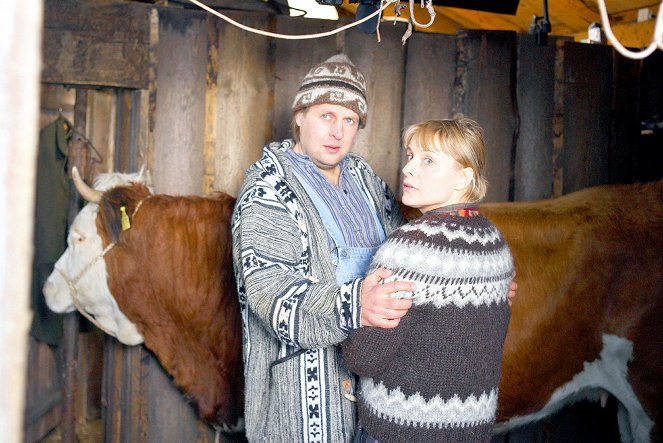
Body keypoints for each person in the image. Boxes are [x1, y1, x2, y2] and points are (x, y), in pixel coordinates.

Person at [231, 54, 416, 442]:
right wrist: (355, 304)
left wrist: (467, 279)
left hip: (377, 387)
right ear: (299, 116)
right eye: (326, 116)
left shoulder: (364, 178)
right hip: (305, 394)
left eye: (349, 120)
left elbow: (407, 252)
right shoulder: (267, 189)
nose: (338, 132)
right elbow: (269, 294)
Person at [342, 118, 514, 442]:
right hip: (471, 430)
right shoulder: (496, 243)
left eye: (428, 160)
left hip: (402, 429)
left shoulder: (409, 248)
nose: (408, 169)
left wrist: (347, 309)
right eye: (410, 156)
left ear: (463, 177)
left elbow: (364, 358)